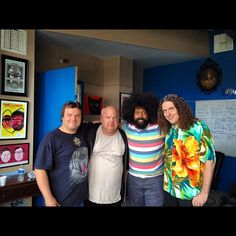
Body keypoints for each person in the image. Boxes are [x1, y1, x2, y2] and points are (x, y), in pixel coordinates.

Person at [158, 94, 216, 207]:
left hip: (190, 194)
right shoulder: (169, 130)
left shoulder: (199, 128)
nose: (168, 114)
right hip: (169, 190)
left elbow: (210, 161)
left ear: (180, 108)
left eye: (171, 109)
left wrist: (204, 194)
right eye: (164, 111)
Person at [34, 101, 89, 207]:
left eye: (77, 115)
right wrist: (48, 198)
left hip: (81, 199)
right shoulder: (51, 138)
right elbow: (39, 169)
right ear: (62, 117)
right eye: (69, 115)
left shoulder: (82, 135)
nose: (74, 118)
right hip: (60, 201)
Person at [121, 92, 165, 206]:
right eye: (137, 112)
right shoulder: (126, 128)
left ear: (149, 113)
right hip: (133, 180)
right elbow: (110, 125)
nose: (140, 115)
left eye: (144, 112)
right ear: (131, 113)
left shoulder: (161, 128)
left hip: (155, 180)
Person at [85, 106, 129, 207]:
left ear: (119, 120)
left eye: (114, 118)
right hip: (92, 195)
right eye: (108, 117)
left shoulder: (124, 135)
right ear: (101, 119)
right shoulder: (91, 132)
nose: (111, 121)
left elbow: (126, 165)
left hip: (115, 196)